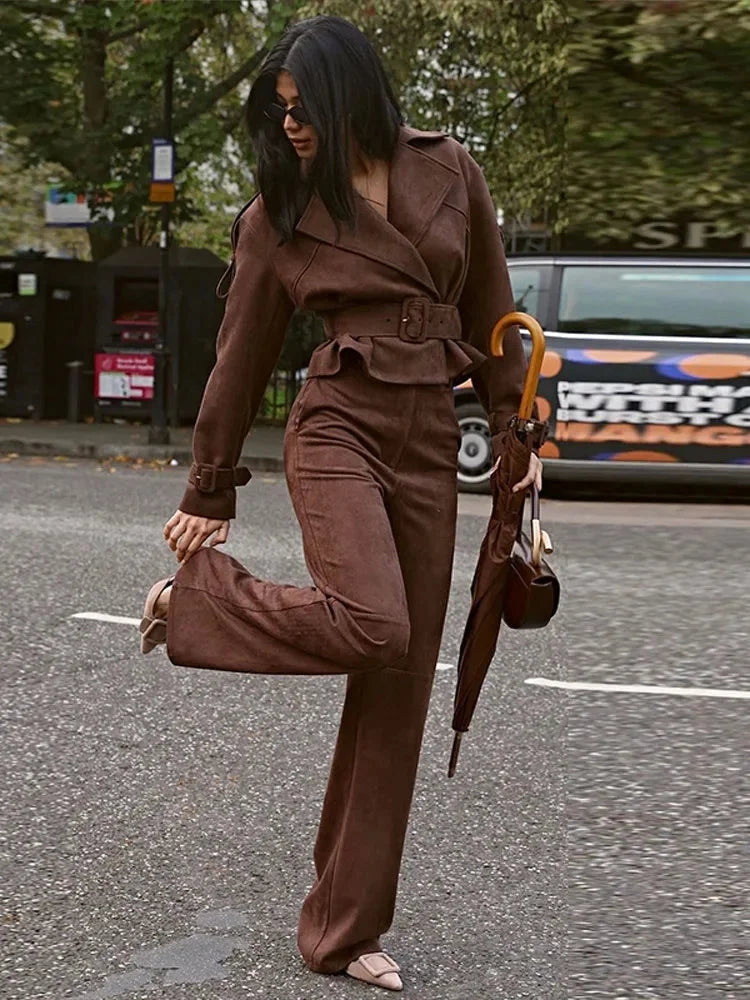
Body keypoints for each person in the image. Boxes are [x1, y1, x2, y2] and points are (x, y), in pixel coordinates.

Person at [139, 14, 542, 993]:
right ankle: (194, 600)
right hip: (339, 425)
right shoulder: (278, 210)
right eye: (276, 116)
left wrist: (523, 438)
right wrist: (210, 487)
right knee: (371, 621)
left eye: (301, 108)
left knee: (400, 679)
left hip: (432, 436)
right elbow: (238, 358)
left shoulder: (452, 170)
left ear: (349, 91)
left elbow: (494, 311)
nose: (291, 129)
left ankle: (341, 929)